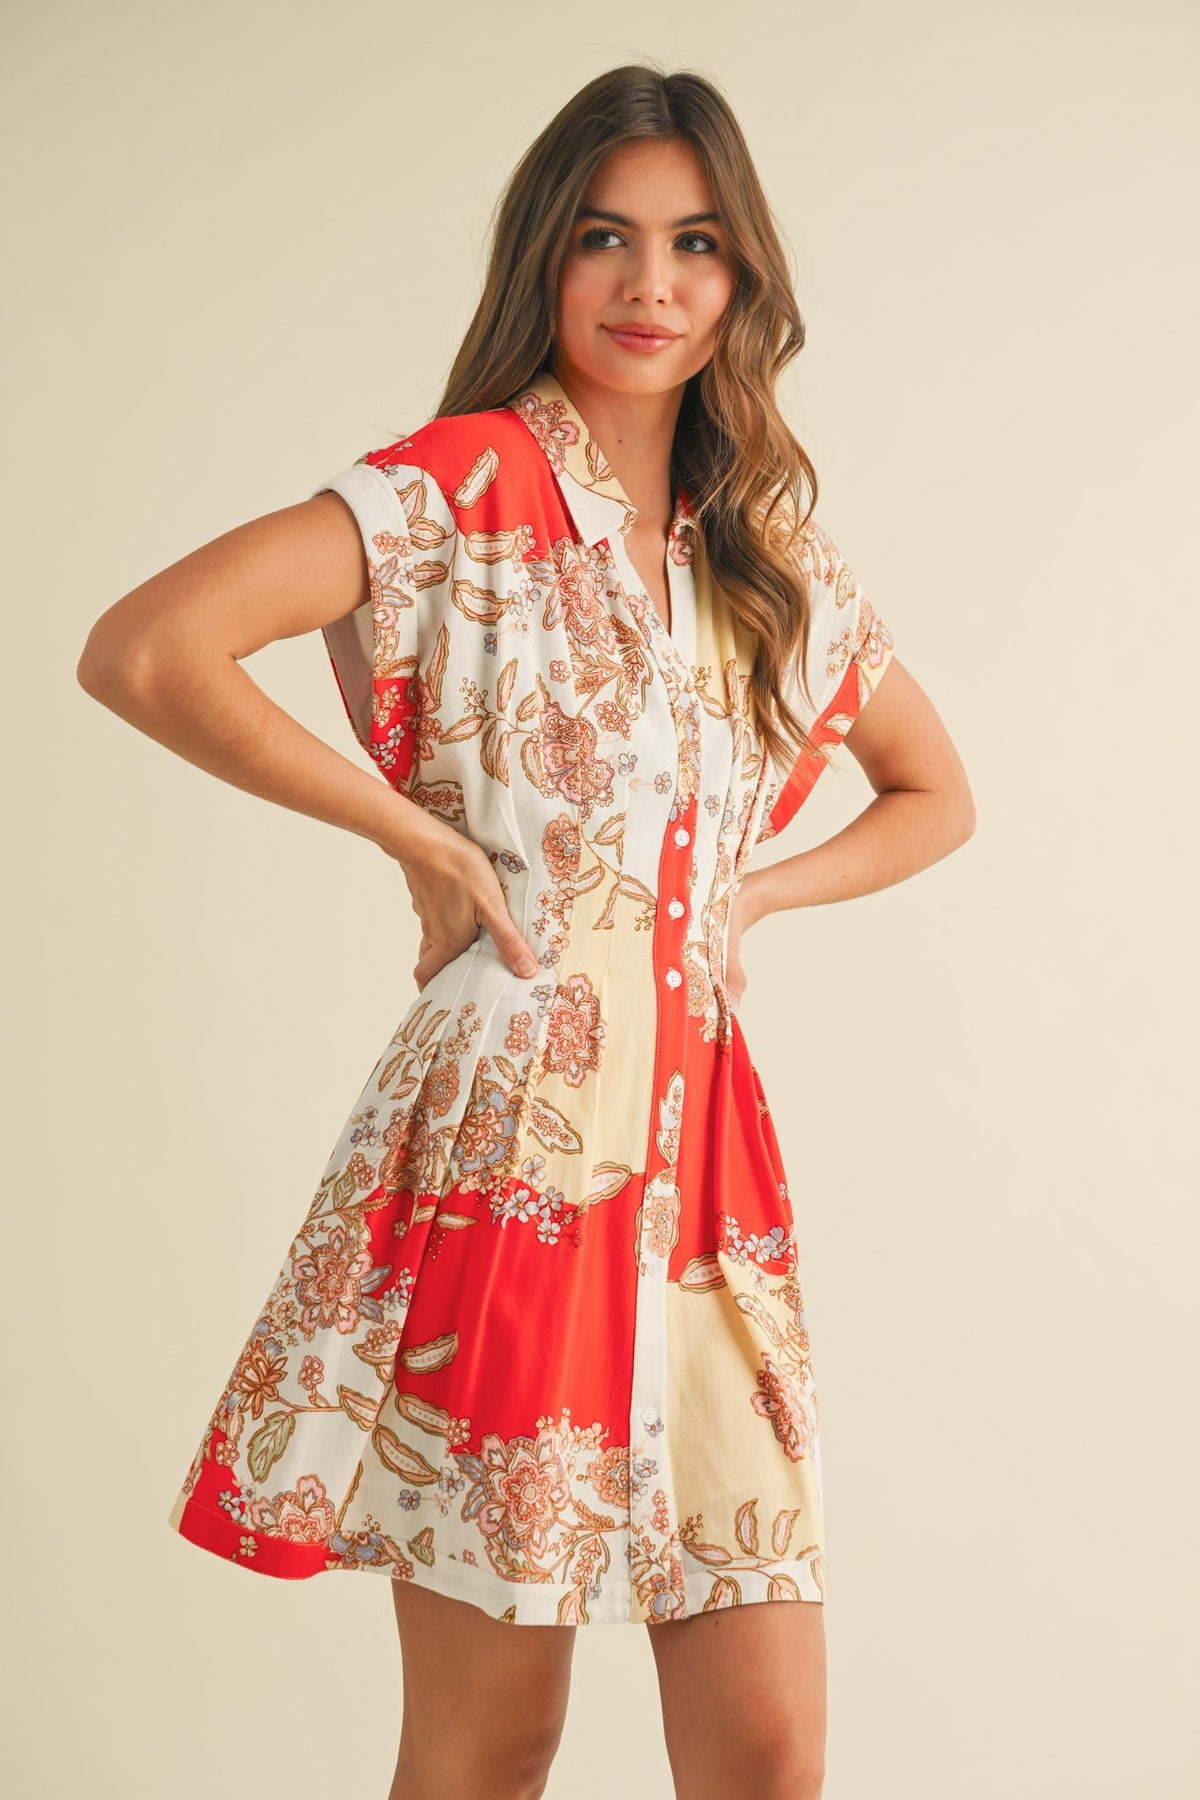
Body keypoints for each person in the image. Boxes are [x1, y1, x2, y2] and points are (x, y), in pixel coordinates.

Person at [78, 59, 974, 1800]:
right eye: (604, 238)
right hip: (514, 1159)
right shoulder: (459, 488)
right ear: (542, 262)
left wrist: (750, 897)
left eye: (697, 243)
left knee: (769, 1752)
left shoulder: (759, 548)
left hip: (706, 1173)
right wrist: (414, 835)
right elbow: (146, 649)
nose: (652, 284)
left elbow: (938, 792)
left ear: (743, 276)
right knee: (494, 1745)